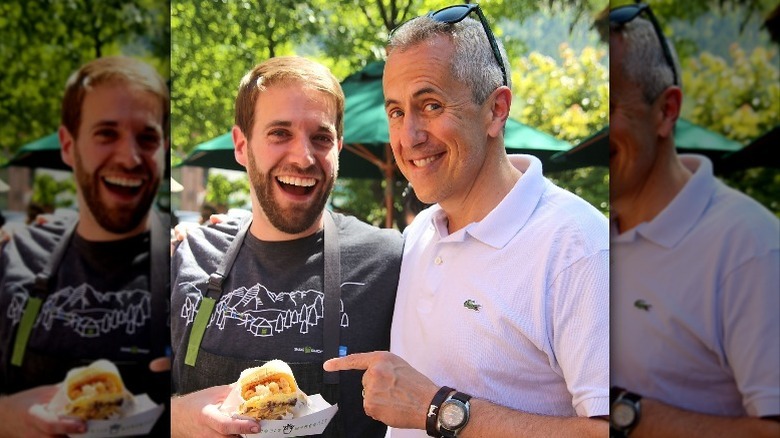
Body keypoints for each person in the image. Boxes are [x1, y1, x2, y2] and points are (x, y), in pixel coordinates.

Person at [324, 4, 610, 437]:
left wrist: (440, 409)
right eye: (397, 112)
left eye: (431, 105)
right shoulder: (422, 232)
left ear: (496, 110)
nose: (409, 137)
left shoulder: (579, 248)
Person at [169, 56, 403, 437]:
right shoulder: (187, 255)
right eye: (280, 133)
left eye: (321, 138)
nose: (303, 157)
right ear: (242, 145)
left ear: (338, 149)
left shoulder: (389, 260)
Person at [608, 4, 779, 437]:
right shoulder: (586, 235)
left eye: (608, 105)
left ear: (666, 111)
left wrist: (625, 413)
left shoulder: (751, 246)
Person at [0, 56, 171, 437]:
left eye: (147, 138)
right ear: (67, 144)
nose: (129, 158)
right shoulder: (13, 257)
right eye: (106, 133)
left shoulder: (191, 260)